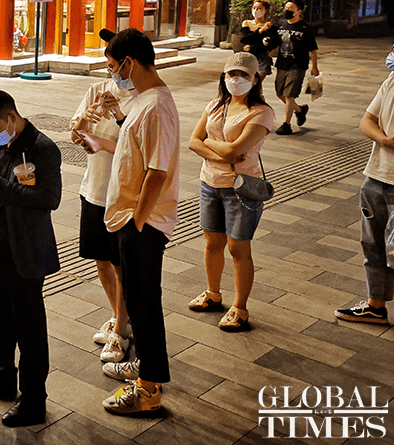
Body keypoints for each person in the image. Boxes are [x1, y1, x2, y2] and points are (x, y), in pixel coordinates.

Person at [0, 90, 60, 428]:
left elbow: (49, 197)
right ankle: (3, 377)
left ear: (12, 118)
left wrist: (0, 186)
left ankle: (34, 398)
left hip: (24, 250)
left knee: (29, 327)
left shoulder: (43, 149)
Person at [99, 28, 179, 416]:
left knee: (144, 304)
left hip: (142, 224)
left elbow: (157, 171)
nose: (113, 74)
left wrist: (137, 222)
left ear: (130, 63)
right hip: (133, 220)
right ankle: (146, 368)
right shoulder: (144, 101)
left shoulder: (156, 106)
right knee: (138, 300)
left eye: (113, 67)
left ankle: (148, 390)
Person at [187, 52, 274, 332]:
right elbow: (193, 141)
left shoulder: (261, 112)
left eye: (243, 75)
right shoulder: (215, 105)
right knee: (212, 243)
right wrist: (221, 153)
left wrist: (213, 146)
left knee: (238, 249)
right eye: (231, 74)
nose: (236, 79)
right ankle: (213, 293)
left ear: (255, 79)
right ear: (223, 76)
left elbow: (235, 150)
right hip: (209, 183)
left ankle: (240, 307)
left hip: (241, 188)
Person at [70, 59, 135, 364]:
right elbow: (75, 135)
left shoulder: (143, 99)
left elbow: (138, 148)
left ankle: (121, 330)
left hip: (121, 195)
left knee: (122, 265)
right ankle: (118, 315)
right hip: (94, 189)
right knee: (102, 259)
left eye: (115, 65)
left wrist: (116, 120)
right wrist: (83, 124)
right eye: (109, 65)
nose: (112, 72)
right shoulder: (96, 90)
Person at [334, 43, 394, 326]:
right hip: (376, 177)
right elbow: (367, 120)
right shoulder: (391, 81)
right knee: (373, 245)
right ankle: (375, 305)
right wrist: (383, 140)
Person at [273, 0, 318, 135]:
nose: (287, 11)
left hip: (297, 65)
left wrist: (315, 67)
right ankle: (299, 110)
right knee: (280, 93)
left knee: (289, 96)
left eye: (291, 9)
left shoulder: (305, 28)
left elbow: (312, 49)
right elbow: (275, 42)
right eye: (286, 8)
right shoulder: (281, 25)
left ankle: (286, 124)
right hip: (282, 64)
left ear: (299, 11)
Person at [239, 0, 276, 85]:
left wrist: (252, 46)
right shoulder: (247, 23)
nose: (256, 10)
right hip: (247, 57)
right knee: (245, 84)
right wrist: (260, 31)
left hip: (262, 58)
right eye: (254, 8)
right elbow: (245, 39)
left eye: (259, 8)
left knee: (255, 84)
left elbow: (271, 45)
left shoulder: (269, 25)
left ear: (266, 10)